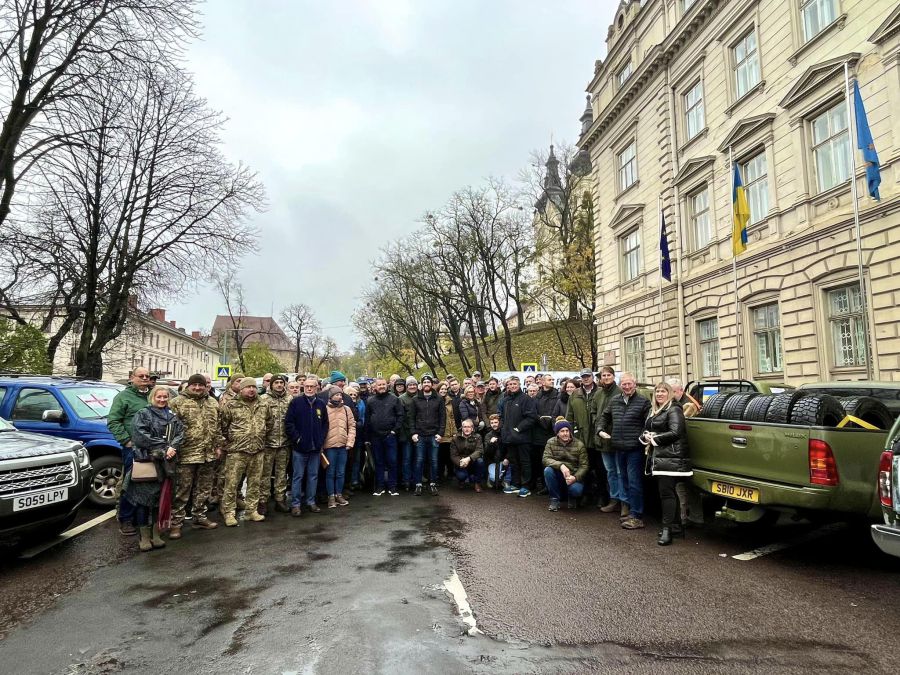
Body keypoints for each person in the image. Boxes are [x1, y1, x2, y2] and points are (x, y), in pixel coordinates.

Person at [128, 386, 183, 552]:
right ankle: (144, 536)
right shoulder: (143, 414)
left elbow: (180, 433)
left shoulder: (172, 415)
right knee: (143, 501)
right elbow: (140, 436)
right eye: (159, 397)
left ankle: (156, 533)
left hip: (167, 464)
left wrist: (173, 446)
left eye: (165, 397)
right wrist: (164, 447)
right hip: (148, 462)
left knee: (160, 500)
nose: (162, 400)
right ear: (152, 397)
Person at [168, 374, 221, 539]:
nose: (198, 388)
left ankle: (199, 517)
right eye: (194, 385)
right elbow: (170, 429)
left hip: (208, 453)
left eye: (201, 385)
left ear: (206, 386)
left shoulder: (212, 402)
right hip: (186, 454)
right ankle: (176, 523)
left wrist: (218, 445)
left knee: (203, 488)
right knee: (182, 490)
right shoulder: (177, 402)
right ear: (189, 386)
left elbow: (217, 426)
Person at [598, 372, 651, 530]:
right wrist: (600, 429)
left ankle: (636, 515)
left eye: (629, 384)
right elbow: (604, 416)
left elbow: (648, 424)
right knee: (625, 480)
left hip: (635, 449)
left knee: (634, 482)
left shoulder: (643, 402)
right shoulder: (615, 400)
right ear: (620, 386)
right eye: (624, 384)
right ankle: (630, 512)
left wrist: (640, 438)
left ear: (635, 384)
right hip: (618, 447)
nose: (627, 387)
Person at [644, 382, 693, 545]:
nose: (659, 394)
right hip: (661, 457)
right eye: (657, 391)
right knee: (669, 492)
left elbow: (676, 431)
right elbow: (649, 429)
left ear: (670, 393)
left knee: (666, 493)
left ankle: (667, 530)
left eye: (663, 391)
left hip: (672, 457)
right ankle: (676, 527)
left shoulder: (674, 408)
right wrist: (645, 437)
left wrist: (654, 439)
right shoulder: (655, 410)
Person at [107, 367, 151, 536]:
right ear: (132, 378)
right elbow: (113, 421)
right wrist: (126, 440)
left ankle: (143, 518)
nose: (145, 378)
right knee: (130, 483)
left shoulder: (152, 395)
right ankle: (126, 519)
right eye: (141, 376)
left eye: (147, 376)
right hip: (133, 449)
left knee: (149, 483)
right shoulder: (123, 397)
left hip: (151, 448)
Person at [219, 377, 268, 527]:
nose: (251, 389)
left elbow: (269, 423)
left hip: (257, 450)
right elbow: (222, 426)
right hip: (237, 451)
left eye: (253, 386)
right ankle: (229, 512)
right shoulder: (231, 405)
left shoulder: (263, 404)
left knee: (255, 483)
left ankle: (251, 511)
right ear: (241, 389)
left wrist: (260, 437)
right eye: (248, 387)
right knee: (231, 484)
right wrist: (230, 442)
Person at [285, 376, 329, 515]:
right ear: (303, 387)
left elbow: (325, 424)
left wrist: (320, 440)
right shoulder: (296, 402)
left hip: (315, 448)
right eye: (307, 386)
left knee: (313, 476)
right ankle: (296, 504)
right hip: (300, 448)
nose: (309, 388)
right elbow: (289, 423)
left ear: (317, 388)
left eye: (312, 386)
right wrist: (297, 439)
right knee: (298, 476)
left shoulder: (321, 404)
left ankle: (311, 502)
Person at [667, 377, 703, 527]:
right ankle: (692, 517)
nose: (670, 394)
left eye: (672, 391)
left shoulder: (688, 404)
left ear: (680, 391)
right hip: (682, 449)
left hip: (684, 450)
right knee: (684, 486)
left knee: (683, 487)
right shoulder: (677, 402)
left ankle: (685, 518)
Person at [499, 376, 538, 498]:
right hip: (510, 438)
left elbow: (532, 417)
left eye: (514, 384)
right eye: (510, 384)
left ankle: (526, 486)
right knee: (514, 462)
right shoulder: (506, 400)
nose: (512, 386)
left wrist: (519, 428)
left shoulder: (526, 399)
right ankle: (516, 484)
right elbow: (503, 417)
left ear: (519, 384)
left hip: (523, 438)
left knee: (525, 462)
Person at [364, 377, 404, 496]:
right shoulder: (370, 401)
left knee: (392, 461)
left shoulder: (394, 399)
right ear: (375, 387)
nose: (381, 386)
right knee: (378, 462)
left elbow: (400, 416)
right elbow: (367, 419)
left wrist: (394, 431)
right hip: (375, 437)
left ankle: (392, 487)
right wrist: (367, 437)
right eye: (379, 385)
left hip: (390, 435)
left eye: (383, 384)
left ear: (387, 385)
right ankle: (380, 486)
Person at [261, 375, 293, 513]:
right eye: (276, 383)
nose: (279, 385)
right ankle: (262, 501)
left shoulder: (290, 399)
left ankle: (280, 499)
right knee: (265, 474)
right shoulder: (263, 399)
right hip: (268, 443)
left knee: (281, 474)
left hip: (284, 443)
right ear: (271, 385)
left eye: (281, 382)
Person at [410, 374, 446, 496]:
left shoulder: (439, 399)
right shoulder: (415, 399)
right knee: (419, 460)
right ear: (421, 384)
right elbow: (411, 418)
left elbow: (442, 417)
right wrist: (413, 433)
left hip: (434, 435)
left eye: (428, 382)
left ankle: (433, 484)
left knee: (434, 461)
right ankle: (418, 484)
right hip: (420, 435)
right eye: (424, 382)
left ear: (432, 384)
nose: (426, 384)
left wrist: (440, 433)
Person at [543, 420, 588, 511]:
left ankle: (572, 497)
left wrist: (575, 478)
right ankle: (554, 499)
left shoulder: (579, 445)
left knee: (576, 491)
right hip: (559, 474)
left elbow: (584, 466)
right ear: (557, 433)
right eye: (562, 431)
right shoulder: (551, 442)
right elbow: (546, 459)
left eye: (567, 431)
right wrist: (561, 466)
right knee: (548, 470)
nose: (565, 433)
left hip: (573, 475)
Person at [595, 366, 622, 511]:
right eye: (603, 375)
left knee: (619, 471)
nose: (606, 377)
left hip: (616, 438)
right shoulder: (599, 393)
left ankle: (623, 501)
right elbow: (594, 411)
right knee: (610, 471)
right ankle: (614, 498)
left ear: (613, 376)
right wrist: (597, 425)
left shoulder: (619, 392)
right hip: (602, 438)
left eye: (608, 375)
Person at [323, 387, 355, 508]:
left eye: (340, 395)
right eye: (336, 395)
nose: (339, 397)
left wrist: (350, 442)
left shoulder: (346, 409)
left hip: (343, 446)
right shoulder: (324, 409)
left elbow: (352, 426)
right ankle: (331, 496)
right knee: (330, 472)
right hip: (329, 447)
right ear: (330, 396)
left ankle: (339, 494)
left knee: (341, 472)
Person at [532, 374, 559, 494]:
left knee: (552, 459)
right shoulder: (536, 397)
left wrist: (549, 421)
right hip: (538, 433)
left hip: (552, 431)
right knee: (540, 460)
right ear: (542, 383)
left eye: (553, 379)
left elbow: (557, 411)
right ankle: (543, 484)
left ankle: (552, 485)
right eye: (550, 380)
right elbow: (533, 412)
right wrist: (540, 420)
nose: (552, 381)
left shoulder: (557, 395)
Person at [397, 376, 418, 491]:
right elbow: (402, 417)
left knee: (417, 458)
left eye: (414, 384)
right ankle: (406, 481)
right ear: (407, 386)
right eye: (410, 385)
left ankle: (416, 480)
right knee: (407, 458)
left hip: (419, 433)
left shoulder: (420, 397)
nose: (412, 386)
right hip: (406, 434)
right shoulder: (401, 399)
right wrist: (411, 432)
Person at [451, 419, 484, 491]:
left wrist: (469, 458)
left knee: (480, 461)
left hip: (473, 461)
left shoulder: (478, 437)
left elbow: (480, 450)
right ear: (462, 428)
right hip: (461, 463)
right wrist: (460, 462)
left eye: (469, 427)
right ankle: (462, 480)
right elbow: (453, 455)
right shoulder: (455, 438)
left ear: (472, 428)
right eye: (465, 427)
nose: (467, 429)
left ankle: (477, 483)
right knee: (462, 476)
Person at [438, 381, 457, 484]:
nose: (443, 391)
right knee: (440, 456)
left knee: (449, 455)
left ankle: (450, 474)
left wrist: (454, 431)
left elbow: (452, 417)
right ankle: (440, 476)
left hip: (449, 432)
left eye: (445, 389)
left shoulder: (449, 401)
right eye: (442, 389)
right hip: (440, 433)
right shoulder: (435, 400)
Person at [484, 413, 509, 488]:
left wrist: (507, 458)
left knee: (511, 463)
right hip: (493, 461)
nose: (494, 424)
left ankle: (505, 480)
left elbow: (510, 448)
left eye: (495, 422)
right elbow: (486, 453)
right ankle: (490, 477)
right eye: (492, 423)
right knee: (494, 479)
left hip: (505, 460)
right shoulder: (488, 435)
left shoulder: (505, 433)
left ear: (499, 422)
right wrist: (491, 443)